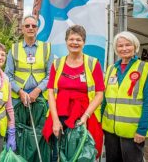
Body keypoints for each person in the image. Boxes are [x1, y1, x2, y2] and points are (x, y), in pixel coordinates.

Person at [42, 25, 105, 161]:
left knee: (82, 155)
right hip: (60, 115)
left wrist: (85, 117)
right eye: (71, 39)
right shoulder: (57, 64)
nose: (74, 43)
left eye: (79, 39)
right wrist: (55, 120)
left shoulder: (93, 63)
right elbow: (51, 93)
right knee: (57, 154)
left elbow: (100, 94)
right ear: (66, 41)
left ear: (84, 42)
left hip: (84, 116)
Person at [101, 31, 148, 162]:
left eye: (128, 45)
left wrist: (142, 130)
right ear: (116, 49)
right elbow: (105, 99)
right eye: (120, 46)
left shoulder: (145, 69)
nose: (124, 48)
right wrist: (100, 123)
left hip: (132, 131)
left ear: (135, 46)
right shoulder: (111, 69)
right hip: (110, 130)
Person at [5, 15, 53, 106]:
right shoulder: (14, 49)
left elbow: (51, 75)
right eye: (27, 26)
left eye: (33, 26)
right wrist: (20, 92)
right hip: (18, 97)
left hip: (41, 95)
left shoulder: (47, 48)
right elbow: (7, 75)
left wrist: (37, 90)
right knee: (18, 121)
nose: (30, 28)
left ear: (37, 29)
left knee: (41, 121)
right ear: (22, 29)